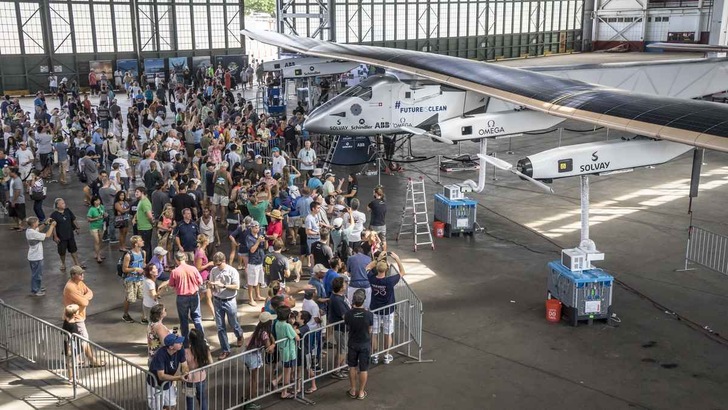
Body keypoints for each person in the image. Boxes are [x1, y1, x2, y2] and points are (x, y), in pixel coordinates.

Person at [208, 252, 244, 360]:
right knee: (220, 327)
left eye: (219, 264)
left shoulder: (232, 271)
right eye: (216, 264)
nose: (217, 266)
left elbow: (237, 286)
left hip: (229, 300)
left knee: (233, 322)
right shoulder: (213, 271)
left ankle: (239, 334)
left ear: (224, 261)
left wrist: (223, 285)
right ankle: (225, 349)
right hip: (217, 300)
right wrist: (211, 286)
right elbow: (211, 284)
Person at [63, 266, 100, 361]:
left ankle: (76, 360)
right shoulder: (70, 287)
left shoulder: (80, 282)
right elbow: (85, 303)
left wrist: (83, 297)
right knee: (84, 338)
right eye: (80, 274)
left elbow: (90, 292)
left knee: (77, 340)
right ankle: (92, 360)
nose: (82, 275)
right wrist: (84, 299)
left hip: (79, 316)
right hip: (75, 318)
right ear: (73, 275)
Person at [168, 252, 205, 344]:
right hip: (194, 295)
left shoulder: (175, 272)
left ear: (176, 260)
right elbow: (200, 281)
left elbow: (171, 285)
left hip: (182, 297)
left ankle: (185, 343)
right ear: (185, 258)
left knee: (183, 320)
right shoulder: (193, 269)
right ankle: (201, 340)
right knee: (197, 318)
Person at [146, 333, 188, 410]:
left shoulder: (180, 349)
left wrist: (185, 372)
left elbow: (184, 364)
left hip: (168, 383)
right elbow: (161, 376)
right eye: (178, 342)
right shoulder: (160, 355)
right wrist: (179, 378)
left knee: (172, 405)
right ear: (171, 347)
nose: (181, 343)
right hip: (156, 384)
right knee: (157, 407)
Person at [63, 303, 105, 381]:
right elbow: (74, 336)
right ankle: (74, 378)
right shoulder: (74, 326)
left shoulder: (66, 322)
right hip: (72, 346)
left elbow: (64, 333)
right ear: (75, 314)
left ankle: (71, 377)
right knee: (72, 363)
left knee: (69, 362)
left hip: (67, 345)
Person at [243, 312, 275, 410]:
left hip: (248, 355)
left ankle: (247, 400)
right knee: (254, 381)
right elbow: (269, 349)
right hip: (253, 357)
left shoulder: (258, 330)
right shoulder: (265, 333)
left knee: (252, 379)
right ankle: (250, 402)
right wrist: (274, 344)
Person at [345, 288, 373, 400]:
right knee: (363, 368)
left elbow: (347, 325)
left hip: (352, 342)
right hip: (365, 343)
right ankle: (361, 392)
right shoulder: (369, 315)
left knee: (352, 366)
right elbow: (370, 329)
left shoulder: (348, 314)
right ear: (364, 300)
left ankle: (352, 389)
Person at [25, 216, 56, 296]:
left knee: (36, 273)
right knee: (37, 274)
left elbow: (39, 229)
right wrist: (52, 226)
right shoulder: (33, 233)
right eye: (37, 222)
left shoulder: (29, 230)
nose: (38, 223)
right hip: (36, 257)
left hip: (33, 257)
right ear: (34, 224)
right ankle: (36, 290)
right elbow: (48, 235)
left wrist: (46, 223)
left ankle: (37, 286)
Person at [273, 306, 299, 399]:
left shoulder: (277, 323)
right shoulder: (287, 326)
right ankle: (284, 392)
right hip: (289, 352)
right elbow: (297, 337)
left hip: (282, 350)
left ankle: (278, 382)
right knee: (287, 373)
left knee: (286, 370)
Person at [327, 276, 350, 380]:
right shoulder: (338, 300)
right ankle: (337, 370)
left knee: (341, 348)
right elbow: (345, 316)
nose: (346, 284)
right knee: (342, 350)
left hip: (340, 328)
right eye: (344, 284)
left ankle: (342, 365)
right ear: (341, 288)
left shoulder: (336, 296)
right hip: (341, 329)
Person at [121, 235, 147, 323]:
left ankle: (144, 316)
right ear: (136, 244)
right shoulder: (128, 256)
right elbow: (124, 269)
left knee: (144, 297)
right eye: (141, 240)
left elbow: (144, 263)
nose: (143, 241)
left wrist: (145, 268)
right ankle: (125, 314)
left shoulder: (143, 253)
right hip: (130, 280)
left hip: (140, 279)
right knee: (129, 298)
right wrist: (135, 269)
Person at [184, 328, 212, 410]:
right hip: (201, 378)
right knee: (202, 399)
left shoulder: (186, 352)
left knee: (190, 401)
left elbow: (184, 368)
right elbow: (211, 363)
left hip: (189, 380)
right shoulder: (205, 349)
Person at [193, 233, 216, 320]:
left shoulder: (201, 251)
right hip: (203, 278)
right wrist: (209, 264)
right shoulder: (200, 253)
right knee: (208, 297)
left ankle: (193, 311)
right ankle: (214, 315)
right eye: (208, 239)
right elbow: (198, 268)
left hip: (205, 277)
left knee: (203, 296)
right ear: (205, 241)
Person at [245, 220, 267, 306]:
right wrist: (258, 241)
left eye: (258, 228)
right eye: (256, 228)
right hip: (253, 262)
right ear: (251, 228)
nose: (257, 229)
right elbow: (252, 250)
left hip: (260, 261)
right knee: (251, 282)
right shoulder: (248, 238)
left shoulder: (260, 235)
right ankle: (250, 299)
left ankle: (258, 295)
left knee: (258, 280)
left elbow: (265, 247)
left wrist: (265, 241)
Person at [346, 244, 372, 309]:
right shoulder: (369, 259)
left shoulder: (350, 258)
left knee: (351, 305)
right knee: (366, 307)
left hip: (354, 284)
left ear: (354, 252)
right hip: (366, 284)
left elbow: (348, 272)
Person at [133, 187, 154, 262]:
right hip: (142, 227)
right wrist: (134, 218)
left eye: (137, 192)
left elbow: (149, 216)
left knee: (145, 247)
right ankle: (148, 261)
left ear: (142, 192)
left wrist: (152, 223)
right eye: (135, 192)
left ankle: (146, 262)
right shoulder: (141, 201)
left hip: (145, 228)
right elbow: (138, 211)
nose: (136, 193)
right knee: (146, 246)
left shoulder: (144, 202)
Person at [87, 196, 106, 264]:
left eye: (99, 200)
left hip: (101, 225)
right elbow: (88, 219)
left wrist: (105, 215)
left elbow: (104, 213)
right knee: (97, 241)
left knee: (100, 241)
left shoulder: (101, 207)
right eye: (97, 200)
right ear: (94, 201)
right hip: (94, 227)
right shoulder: (91, 209)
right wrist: (96, 218)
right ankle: (98, 256)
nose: (99, 201)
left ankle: (98, 253)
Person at [368, 187, 387, 252]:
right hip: (383, 224)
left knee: (373, 239)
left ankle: (374, 254)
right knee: (383, 240)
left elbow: (368, 209)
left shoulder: (373, 202)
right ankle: (384, 254)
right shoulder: (384, 202)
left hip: (374, 225)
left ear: (376, 194)